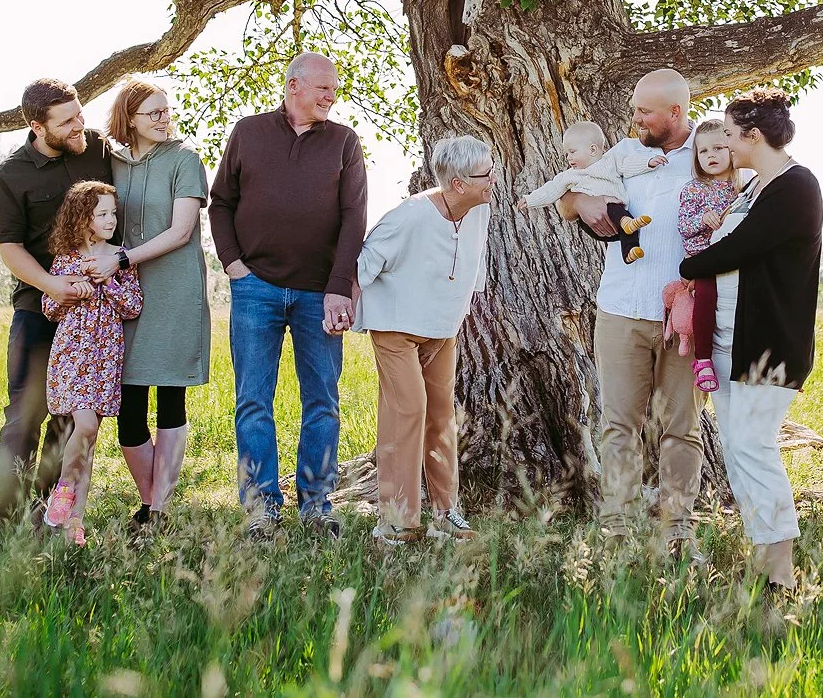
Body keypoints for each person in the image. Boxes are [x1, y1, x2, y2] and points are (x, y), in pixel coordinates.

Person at [208, 52, 368, 538]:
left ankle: (317, 506)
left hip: (319, 293)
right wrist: (235, 266)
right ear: (294, 85)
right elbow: (221, 205)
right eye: (323, 88)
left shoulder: (344, 142)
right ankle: (261, 507)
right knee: (253, 399)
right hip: (255, 287)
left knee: (323, 399)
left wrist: (339, 288)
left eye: (334, 90)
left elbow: (353, 218)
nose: (331, 96)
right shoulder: (248, 133)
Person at [676, 88, 823, 594]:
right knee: (738, 450)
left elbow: (740, 247)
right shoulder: (752, 187)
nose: (727, 147)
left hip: (768, 343)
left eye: (733, 137)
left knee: (754, 446)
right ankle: (762, 549)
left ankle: (780, 568)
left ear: (753, 137)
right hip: (727, 341)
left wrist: (687, 268)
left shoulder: (796, 185)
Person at [560, 68, 704, 552]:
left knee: (681, 427)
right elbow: (567, 195)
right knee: (619, 424)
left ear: (676, 113)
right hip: (621, 308)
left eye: (645, 111)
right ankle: (616, 526)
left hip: (682, 316)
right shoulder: (624, 154)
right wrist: (581, 201)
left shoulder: (706, 154)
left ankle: (677, 526)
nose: (635, 118)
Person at [0, 79, 112, 549]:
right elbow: (9, 249)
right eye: (66, 121)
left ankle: (49, 512)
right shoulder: (11, 176)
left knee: (70, 418)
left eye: (79, 114)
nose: (80, 126)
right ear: (37, 126)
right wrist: (52, 285)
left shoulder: (97, 153)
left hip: (91, 316)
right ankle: (2, 519)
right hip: (37, 308)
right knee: (24, 416)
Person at [357, 135, 496, 547]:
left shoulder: (478, 210)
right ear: (457, 184)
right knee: (409, 412)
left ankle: (445, 512)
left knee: (441, 416)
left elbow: (475, 267)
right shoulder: (409, 217)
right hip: (396, 327)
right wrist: (342, 306)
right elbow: (363, 264)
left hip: (442, 329)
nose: (493, 180)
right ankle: (395, 522)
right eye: (484, 174)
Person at [96, 80, 210, 529]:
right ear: (129, 120)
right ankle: (151, 500)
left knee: (170, 397)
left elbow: (181, 231)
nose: (165, 119)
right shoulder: (111, 163)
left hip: (175, 289)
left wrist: (121, 258)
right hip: (123, 296)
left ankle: (156, 508)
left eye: (166, 111)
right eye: (153, 113)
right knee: (128, 406)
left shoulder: (185, 160)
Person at [40, 183, 143, 546]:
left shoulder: (120, 257)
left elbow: (133, 305)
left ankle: (74, 524)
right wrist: (73, 290)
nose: (111, 219)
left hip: (104, 358)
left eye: (113, 212)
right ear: (83, 219)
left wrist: (108, 281)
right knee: (82, 425)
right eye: (102, 214)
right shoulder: (66, 258)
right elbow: (49, 307)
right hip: (72, 356)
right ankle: (64, 489)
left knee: (90, 440)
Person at [665, 118, 741, 393]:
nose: (711, 156)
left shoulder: (741, 188)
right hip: (704, 259)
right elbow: (683, 227)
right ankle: (703, 359)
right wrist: (702, 219)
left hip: (734, 260)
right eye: (703, 151)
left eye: (718, 148)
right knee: (707, 298)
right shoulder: (694, 188)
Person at [521, 121, 656, 262]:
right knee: (617, 211)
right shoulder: (570, 175)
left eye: (572, 152)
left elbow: (628, 164)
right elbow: (551, 189)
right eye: (567, 154)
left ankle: (630, 251)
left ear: (592, 150)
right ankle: (626, 223)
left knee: (622, 216)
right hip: (594, 225)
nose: (568, 158)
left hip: (618, 216)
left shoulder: (611, 161)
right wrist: (530, 199)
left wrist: (648, 163)